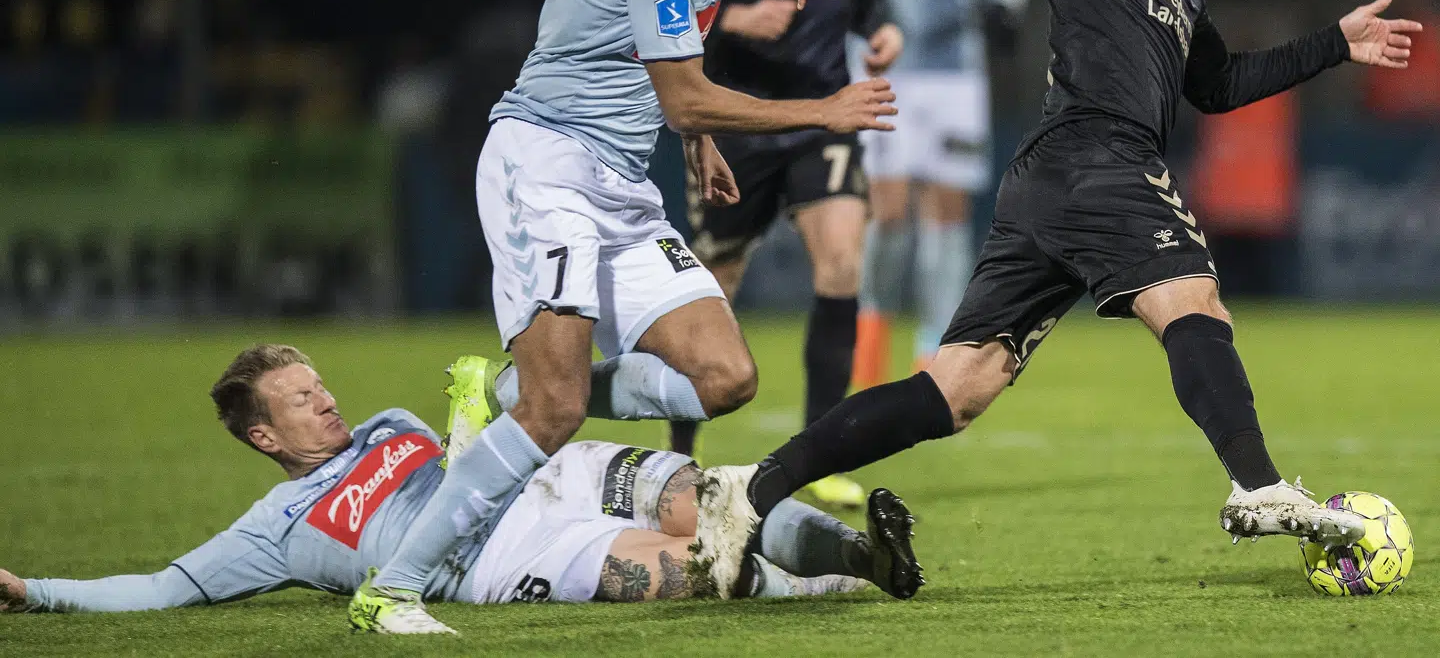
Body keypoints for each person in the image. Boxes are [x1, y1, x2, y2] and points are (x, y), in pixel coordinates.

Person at [687, 0, 1424, 595]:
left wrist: (1335, 44)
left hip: (1051, 187)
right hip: (1096, 157)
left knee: (957, 386)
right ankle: (1257, 480)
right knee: (1196, 304)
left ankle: (750, 486)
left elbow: (1219, 84)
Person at [356, 0, 898, 632]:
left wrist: (694, 136)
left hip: (618, 180)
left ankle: (500, 387)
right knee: (558, 408)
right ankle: (392, 586)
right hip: (547, 166)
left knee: (724, 379)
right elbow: (684, 91)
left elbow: (659, 64)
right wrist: (822, 110)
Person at [0, 345, 922, 624]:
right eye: (300, 400)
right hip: (509, 555)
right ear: (261, 434)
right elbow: (161, 586)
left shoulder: (391, 427)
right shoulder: (274, 529)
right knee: (683, 563)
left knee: (714, 493)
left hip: (544, 478)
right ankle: (844, 574)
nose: (326, 401)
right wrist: (35, 592)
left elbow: (478, 441)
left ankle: (867, 556)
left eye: (320, 384)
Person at [673, 0, 905, 511]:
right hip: (735, 118)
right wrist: (739, 18)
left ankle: (819, 450)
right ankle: (678, 457)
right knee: (712, 293)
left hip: (825, 113)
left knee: (841, 261)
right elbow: (682, 8)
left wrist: (881, 28)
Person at [845, 0, 1029, 379]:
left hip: (953, 73)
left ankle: (934, 358)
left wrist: (1007, 10)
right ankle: (867, 347)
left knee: (947, 211)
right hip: (881, 71)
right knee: (888, 210)